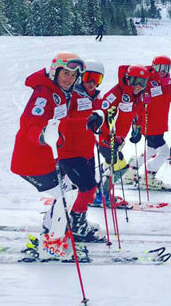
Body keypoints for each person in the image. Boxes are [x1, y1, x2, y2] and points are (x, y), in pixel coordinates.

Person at [10, 52, 86, 260]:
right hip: (31, 160)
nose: (69, 78)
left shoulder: (60, 93)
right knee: (66, 194)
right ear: (55, 71)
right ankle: (52, 242)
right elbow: (30, 123)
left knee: (69, 187)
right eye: (65, 73)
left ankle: (51, 227)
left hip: (46, 157)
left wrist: (88, 121)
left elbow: (66, 122)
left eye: (73, 75)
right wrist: (42, 136)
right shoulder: (44, 93)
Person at [125, 55, 171, 190]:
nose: (162, 70)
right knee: (164, 152)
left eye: (166, 68)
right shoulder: (147, 81)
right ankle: (149, 176)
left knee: (151, 150)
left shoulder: (167, 81)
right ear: (153, 66)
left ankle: (132, 169)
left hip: (160, 123)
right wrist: (136, 125)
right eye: (159, 67)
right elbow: (138, 103)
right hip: (149, 124)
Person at [58, 60, 105, 241]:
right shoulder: (71, 96)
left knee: (88, 188)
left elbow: (100, 120)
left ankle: (75, 219)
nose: (91, 82)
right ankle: (76, 225)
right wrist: (86, 122)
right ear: (80, 77)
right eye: (87, 77)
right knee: (87, 188)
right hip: (69, 152)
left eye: (96, 78)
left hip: (87, 151)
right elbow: (64, 123)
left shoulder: (97, 98)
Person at [95, 64, 150, 206]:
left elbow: (138, 112)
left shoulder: (138, 95)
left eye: (142, 82)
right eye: (134, 81)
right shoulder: (116, 93)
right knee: (120, 166)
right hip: (106, 138)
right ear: (127, 79)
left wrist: (137, 128)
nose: (138, 86)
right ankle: (101, 194)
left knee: (110, 165)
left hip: (119, 139)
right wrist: (107, 136)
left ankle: (92, 189)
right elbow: (100, 115)